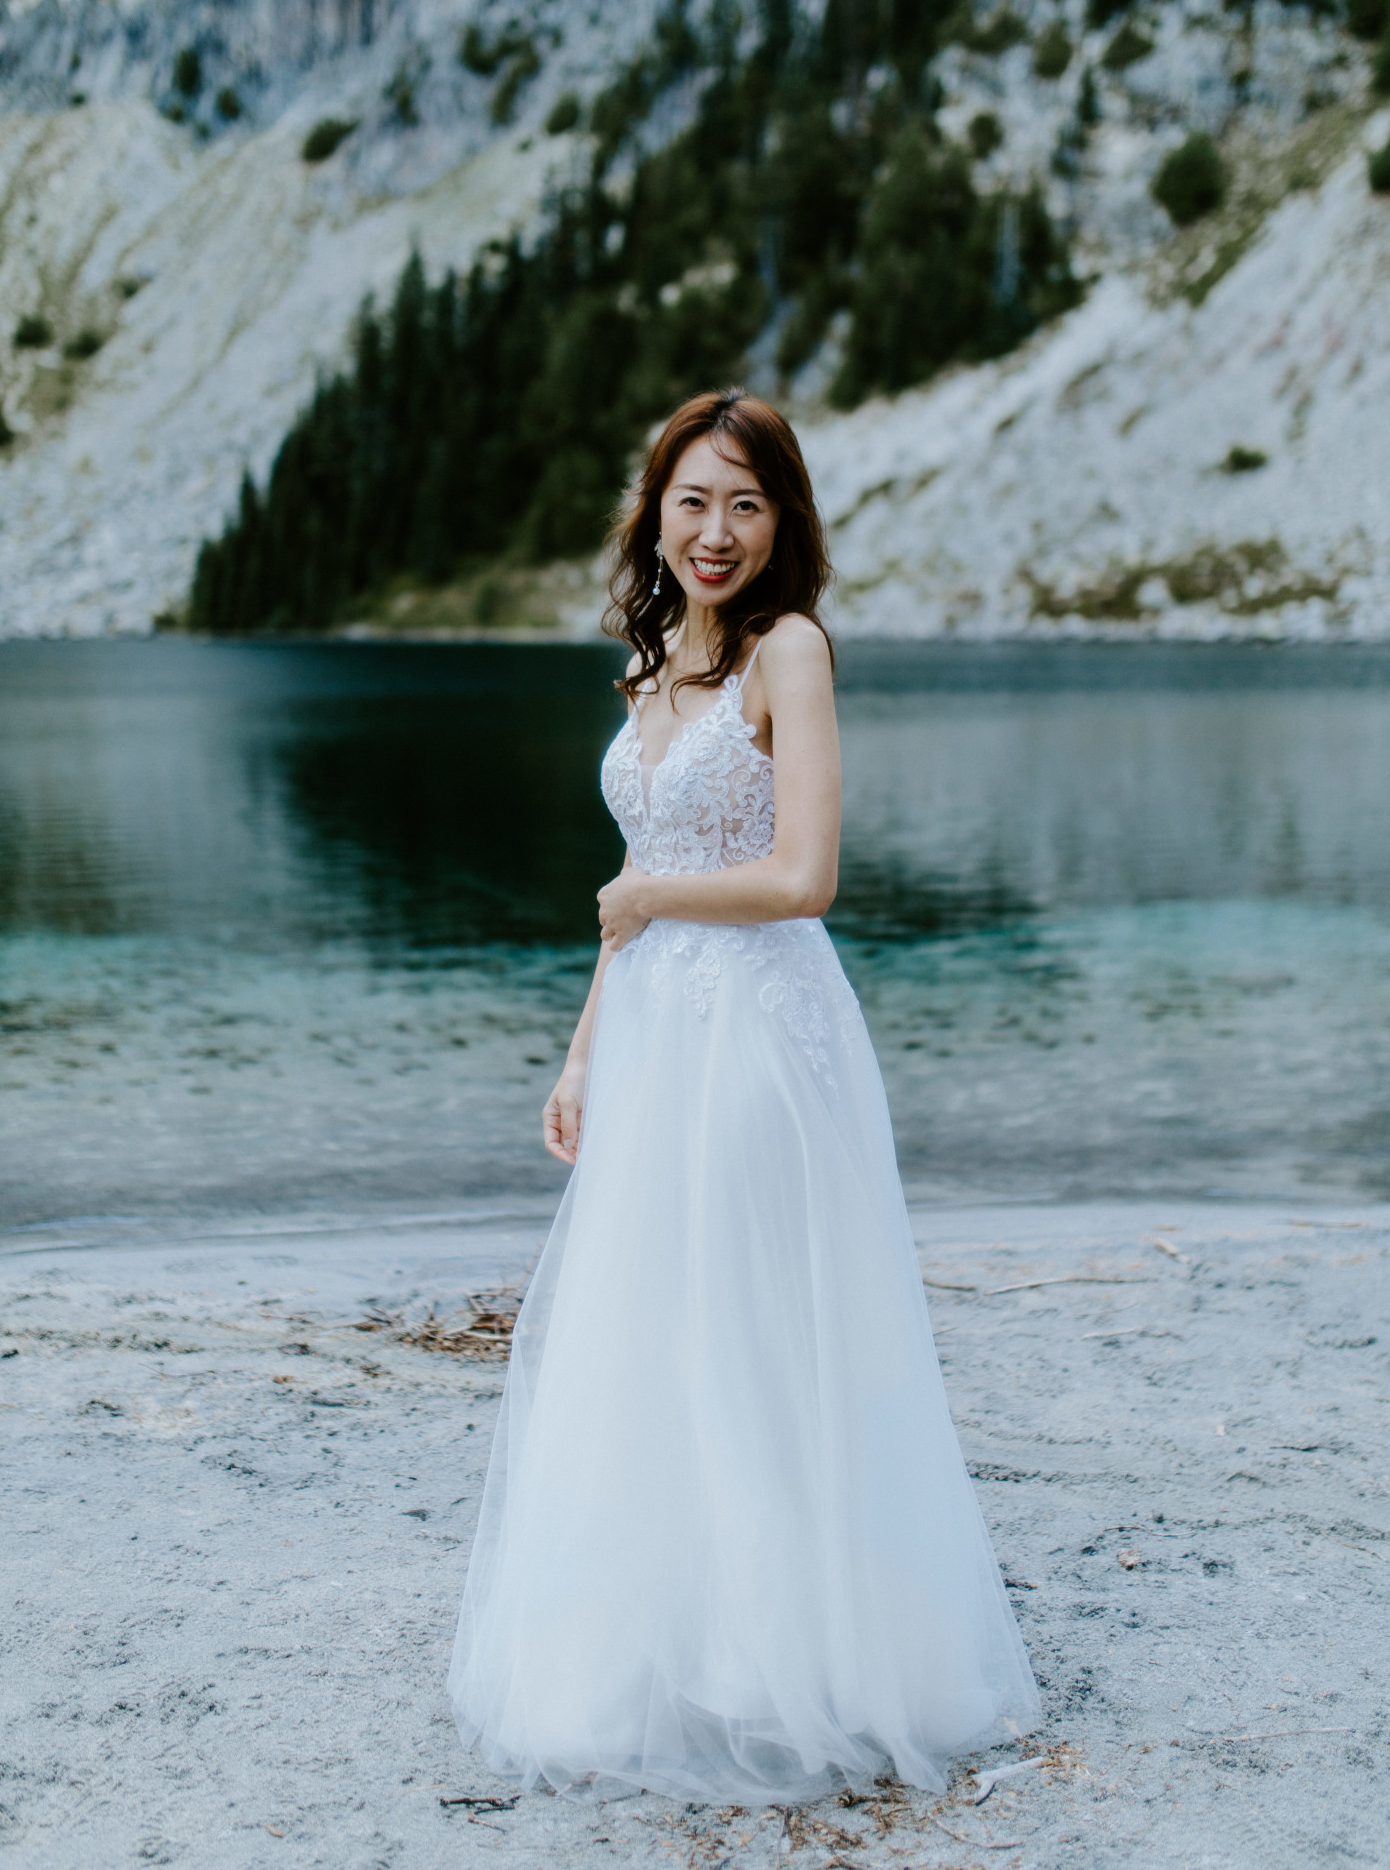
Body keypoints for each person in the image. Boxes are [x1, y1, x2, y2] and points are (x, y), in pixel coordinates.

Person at [449, 389, 1038, 1802]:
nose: (715, 533)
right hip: (655, 1041)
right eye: (693, 501)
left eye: (746, 505)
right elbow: (628, 911)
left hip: (764, 1039)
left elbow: (803, 882)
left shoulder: (792, 654)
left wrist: (649, 894)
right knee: (651, 1332)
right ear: (655, 512)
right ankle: (677, 1644)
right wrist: (585, 1053)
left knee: (750, 1331)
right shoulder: (655, 667)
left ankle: (801, 1658)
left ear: (784, 524)